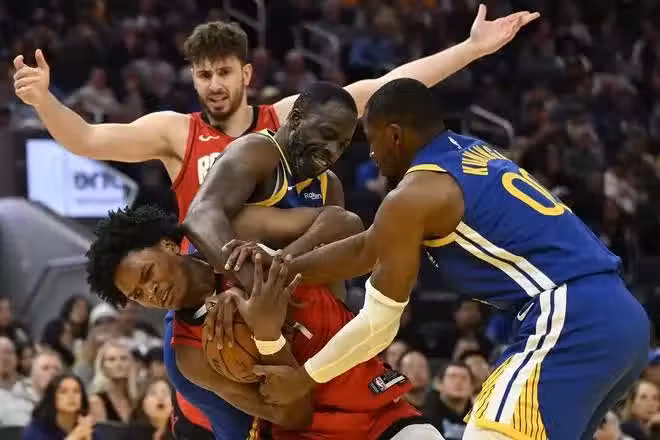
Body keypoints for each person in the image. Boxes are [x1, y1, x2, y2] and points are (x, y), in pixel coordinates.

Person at [234, 78, 650, 440]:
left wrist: (303, 378)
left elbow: (379, 325)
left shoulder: (414, 195)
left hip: (570, 318)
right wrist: (284, 267)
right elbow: (368, 248)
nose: (372, 157)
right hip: (622, 319)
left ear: (395, 135)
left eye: (372, 141)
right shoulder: (474, 153)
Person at [85, 204, 442, 439]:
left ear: (168, 245)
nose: (151, 292)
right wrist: (266, 335)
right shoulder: (189, 353)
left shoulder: (237, 235)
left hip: (377, 403)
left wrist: (280, 262)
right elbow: (294, 417)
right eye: (137, 294)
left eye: (148, 273)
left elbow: (345, 223)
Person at [21, 373, 96, 440]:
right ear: (52, 397)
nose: (71, 396)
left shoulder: (87, 428)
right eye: (63, 392)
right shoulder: (37, 429)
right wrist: (75, 436)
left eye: (76, 391)